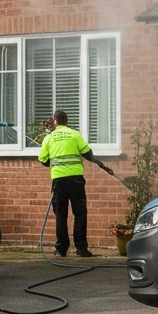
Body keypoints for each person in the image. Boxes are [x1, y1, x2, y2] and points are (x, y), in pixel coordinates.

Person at [38, 110, 111, 258]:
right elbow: (87, 153)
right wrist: (100, 164)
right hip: (76, 180)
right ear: (67, 121)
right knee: (80, 213)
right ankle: (81, 249)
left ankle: (61, 249)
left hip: (59, 181)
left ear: (55, 121)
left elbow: (43, 160)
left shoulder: (49, 138)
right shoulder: (74, 134)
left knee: (60, 215)